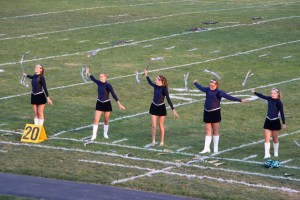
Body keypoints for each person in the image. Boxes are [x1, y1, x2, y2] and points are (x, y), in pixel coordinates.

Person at [194, 79, 247, 154]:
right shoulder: (207, 89)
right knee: (208, 130)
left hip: (215, 112)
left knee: (215, 131)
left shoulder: (219, 92)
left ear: (216, 84)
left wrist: (240, 100)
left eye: (212, 84)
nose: (210, 85)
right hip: (206, 112)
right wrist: (195, 83)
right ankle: (206, 148)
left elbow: (229, 97)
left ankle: (216, 149)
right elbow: (200, 88)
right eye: (210, 84)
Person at [86, 67, 125, 141]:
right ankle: (94, 135)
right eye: (100, 76)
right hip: (99, 103)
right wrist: (88, 72)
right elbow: (92, 78)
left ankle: (105, 134)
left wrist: (119, 104)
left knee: (106, 120)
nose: (100, 78)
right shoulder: (98, 83)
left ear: (105, 77)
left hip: (107, 104)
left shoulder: (108, 85)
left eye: (102, 76)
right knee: (96, 119)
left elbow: (113, 94)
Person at [144, 69, 179, 146]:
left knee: (160, 125)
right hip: (153, 106)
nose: (155, 80)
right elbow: (150, 82)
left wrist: (173, 110)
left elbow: (168, 99)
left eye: (156, 79)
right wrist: (146, 75)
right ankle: (153, 141)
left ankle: (162, 141)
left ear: (160, 81)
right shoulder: (155, 86)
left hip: (161, 108)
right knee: (153, 125)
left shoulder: (164, 89)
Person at [251, 88, 286, 159]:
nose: (272, 94)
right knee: (266, 138)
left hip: (275, 121)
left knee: (275, 139)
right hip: (268, 120)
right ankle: (267, 154)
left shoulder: (279, 102)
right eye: (271, 93)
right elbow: (262, 96)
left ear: (277, 94)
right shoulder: (269, 99)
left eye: (273, 93)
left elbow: (282, 113)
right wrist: (254, 92)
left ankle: (276, 152)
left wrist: (284, 123)